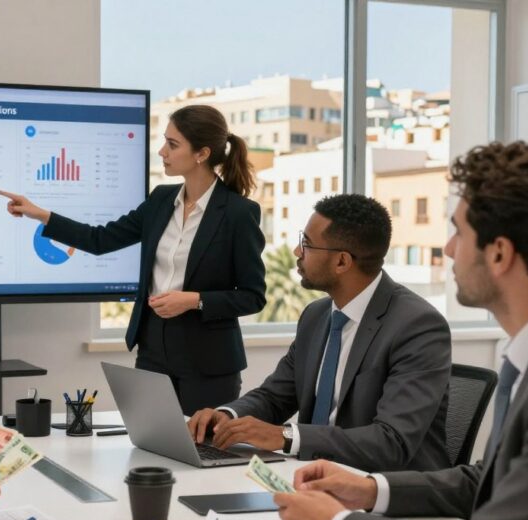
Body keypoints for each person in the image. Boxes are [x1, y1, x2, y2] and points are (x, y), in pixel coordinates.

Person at [275, 141, 528, 520]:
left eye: (459, 232)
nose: (449, 249)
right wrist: (370, 489)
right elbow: (487, 482)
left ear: (499, 253)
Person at [0, 105, 266, 413]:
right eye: (164, 141)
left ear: (201, 154)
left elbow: (252, 296)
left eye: (173, 144)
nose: (162, 151)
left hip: (209, 361)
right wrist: (41, 214)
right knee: (152, 444)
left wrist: (194, 300)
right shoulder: (160, 200)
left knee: (204, 451)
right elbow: (100, 239)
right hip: (153, 349)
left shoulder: (238, 213)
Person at [188, 194, 451, 472]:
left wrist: (287, 436)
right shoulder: (316, 315)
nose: (297, 252)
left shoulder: (417, 326)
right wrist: (227, 416)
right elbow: (275, 396)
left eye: (307, 244)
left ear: (342, 262)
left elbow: (391, 441)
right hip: (314, 478)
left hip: (384, 489)